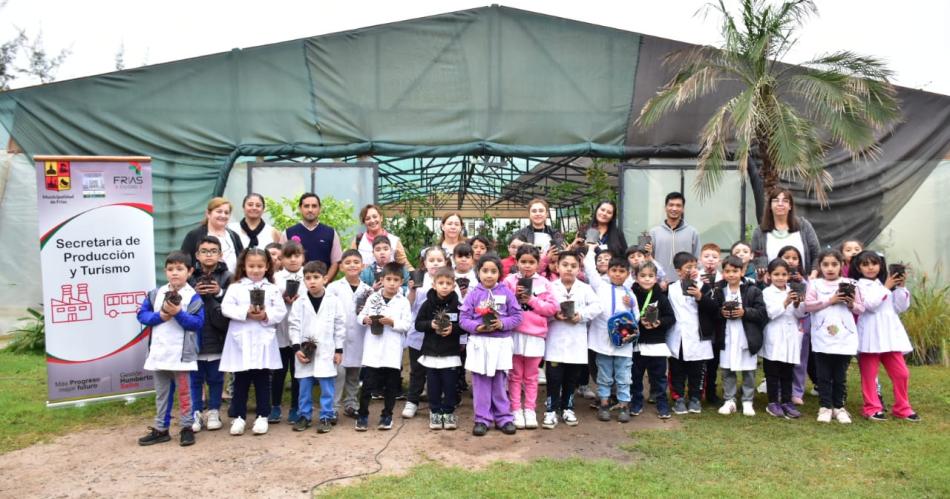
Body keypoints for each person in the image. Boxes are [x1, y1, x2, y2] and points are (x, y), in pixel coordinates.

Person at [136, 251, 205, 447]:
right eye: (170, 269)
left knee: (185, 394)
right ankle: (161, 429)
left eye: (180, 269)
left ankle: (186, 428)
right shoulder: (155, 294)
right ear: (165, 272)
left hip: (182, 356)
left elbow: (197, 323)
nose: (175, 273)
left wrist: (178, 313)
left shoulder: (193, 297)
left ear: (190, 271)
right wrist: (161, 316)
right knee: (162, 394)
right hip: (159, 354)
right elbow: (142, 315)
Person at [220, 248, 288, 436]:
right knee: (240, 379)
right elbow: (226, 308)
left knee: (262, 379)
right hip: (241, 337)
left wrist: (266, 315)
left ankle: (262, 415)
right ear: (244, 266)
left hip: (263, 337)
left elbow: (280, 312)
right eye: (251, 266)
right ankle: (239, 416)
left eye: (260, 266)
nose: (256, 270)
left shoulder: (272, 289)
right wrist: (245, 313)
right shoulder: (236, 287)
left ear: (267, 266)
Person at [852, 250, 919, 422]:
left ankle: (902, 407)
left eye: (874, 263)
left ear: (880, 265)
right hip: (870, 334)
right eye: (865, 264)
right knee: (869, 375)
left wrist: (901, 287)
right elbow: (870, 305)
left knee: (902, 373)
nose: (870, 267)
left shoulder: (886, 285)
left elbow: (900, 307)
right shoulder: (858, 286)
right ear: (859, 268)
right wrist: (887, 287)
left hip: (890, 335)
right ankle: (872, 407)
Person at [460, 254, 523, 436]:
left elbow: (517, 316)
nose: (489, 275)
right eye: (485, 271)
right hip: (479, 343)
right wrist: (477, 327)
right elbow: (463, 319)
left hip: (501, 343)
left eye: (493, 271)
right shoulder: (473, 295)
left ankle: (504, 418)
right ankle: (482, 419)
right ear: (478, 272)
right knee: (480, 383)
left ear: (499, 273)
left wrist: (502, 323)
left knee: (499, 382)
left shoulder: (506, 293)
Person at [700, 255, 768, 417]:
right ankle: (729, 399)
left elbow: (762, 313)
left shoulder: (752, 290)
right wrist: (721, 312)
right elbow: (712, 311)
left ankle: (747, 400)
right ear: (723, 272)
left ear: (742, 271)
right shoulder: (717, 290)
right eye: (727, 271)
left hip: (746, 335)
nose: (731, 274)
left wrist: (745, 312)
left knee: (748, 370)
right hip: (727, 335)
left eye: (735, 271)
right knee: (727, 369)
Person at [803, 249, 864, 424]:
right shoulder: (814, 284)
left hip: (845, 336)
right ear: (820, 266)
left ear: (842, 265)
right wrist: (831, 300)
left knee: (840, 374)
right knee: (823, 374)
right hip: (822, 336)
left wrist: (850, 303)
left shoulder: (851, 283)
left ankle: (839, 407)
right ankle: (825, 406)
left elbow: (861, 308)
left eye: (834, 264)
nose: (830, 268)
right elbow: (808, 306)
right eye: (825, 264)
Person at [503, 245, 559, 429]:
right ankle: (515, 409)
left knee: (532, 375)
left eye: (531, 262)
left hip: (535, 336)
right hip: (515, 333)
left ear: (537, 263)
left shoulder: (544, 283)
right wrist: (515, 298)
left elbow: (552, 309)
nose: (527, 266)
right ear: (517, 262)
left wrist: (532, 300)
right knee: (515, 374)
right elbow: (501, 305)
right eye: (523, 261)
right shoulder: (509, 281)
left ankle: (530, 409)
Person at [544, 250, 601, 428]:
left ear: (579, 268)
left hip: (576, 339)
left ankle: (567, 407)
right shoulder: (550, 287)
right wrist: (554, 315)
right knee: (554, 376)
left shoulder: (585, 288)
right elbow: (542, 308)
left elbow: (598, 306)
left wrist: (581, 315)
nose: (569, 269)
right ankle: (551, 409)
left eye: (573, 266)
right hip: (556, 338)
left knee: (571, 377)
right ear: (557, 267)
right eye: (565, 265)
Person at [584, 244, 639, 423]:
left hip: (624, 344)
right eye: (614, 270)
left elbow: (636, 318)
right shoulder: (600, 287)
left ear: (628, 274)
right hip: (602, 341)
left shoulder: (630, 294)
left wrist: (631, 305)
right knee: (604, 374)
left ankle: (624, 405)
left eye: (622, 271)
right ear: (608, 272)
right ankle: (604, 403)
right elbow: (590, 269)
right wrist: (591, 250)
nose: (617, 274)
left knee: (624, 376)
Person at [289, 261, 346, 433]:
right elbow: (294, 325)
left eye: (316, 277)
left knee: (327, 386)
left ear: (325, 279)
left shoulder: (334, 301)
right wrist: (296, 348)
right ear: (303, 281)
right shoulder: (299, 303)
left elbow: (340, 326)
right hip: (304, 352)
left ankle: (326, 416)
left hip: (327, 351)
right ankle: (304, 415)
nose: (312, 281)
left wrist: (338, 350)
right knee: (304, 386)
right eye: (308, 278)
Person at [355, 263, 411, 431]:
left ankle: (387, 415)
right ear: (382, 280)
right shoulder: (373, 298)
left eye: (396, 280)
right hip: (373, 347)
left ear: (401, 282)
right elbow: (361, 315)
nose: (392, 283)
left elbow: (407, 324)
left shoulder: (403, 302)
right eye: (388, 279)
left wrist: (392, 322)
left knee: (391, 385)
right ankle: (362, 415)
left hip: (392, 350)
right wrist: (366, 320)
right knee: (367, 385)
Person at [187, 236, 232, 433]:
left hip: (218, 335)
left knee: (216, 378)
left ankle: (214, 410)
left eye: (213, 251)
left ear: (220, 254)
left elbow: (233, 304)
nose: (209, 255)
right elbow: (180, 302)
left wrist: (219, 292)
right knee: (195, 379)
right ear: (197, 255)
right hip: (195, 336)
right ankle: (196, 411)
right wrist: (193, 293)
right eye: (204, 251)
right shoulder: (189, 276)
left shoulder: (228, 276)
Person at [403, 246, 450, 419]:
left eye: (439, 260)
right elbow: (408, 306)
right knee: (417, 370)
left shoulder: (448, 281)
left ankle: (435, 403)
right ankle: (412, 401)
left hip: (440, 336)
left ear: (445, 262)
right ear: (424, 263)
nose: (435, 263)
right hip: (419, 334)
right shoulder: (418, 282)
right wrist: (412, 291)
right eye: (431, 260)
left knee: (435, 371)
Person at [415, 267, 464, 430]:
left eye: (448, 283)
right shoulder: (427, 304)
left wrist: (453, 329)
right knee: (433, 386)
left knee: (450, 385)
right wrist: (431, 324)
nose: (444, 286)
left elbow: (464, 325)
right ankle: (435, 411)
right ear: (434, 284)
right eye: (441, 283)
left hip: (450, 353)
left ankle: (449, 412)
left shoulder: (458, 305)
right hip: (431, 353)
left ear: (453, 285)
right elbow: (418, 324)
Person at [666, 252, 714, 415]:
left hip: (698, 336)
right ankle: (678, 397)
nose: (692, 270)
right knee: (677, 369)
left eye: (695, 267)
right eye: (688, 267)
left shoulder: (705, 287)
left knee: (697, 369)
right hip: (677, 337)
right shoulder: (670, 288)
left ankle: (695, 398)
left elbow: (714, 309)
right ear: (679, 271)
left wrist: (700, 295)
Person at [327, 249, 372, 418]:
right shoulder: (333, 288)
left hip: (359, 336)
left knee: (354, 373)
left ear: (363, 266)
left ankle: (351, 404)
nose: (352, 265)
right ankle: (333, 407)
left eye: (356, 262)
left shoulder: (368, 290)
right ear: (341, 267)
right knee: (338, 373)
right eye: (347, 262)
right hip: (338, 338)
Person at [630, 261, 676, 419]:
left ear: (656, 278)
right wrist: (638, 322)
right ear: (635, 277)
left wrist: (659, 323)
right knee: (635, 376)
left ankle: (662, 405)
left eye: (651, 276)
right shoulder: (631, 296)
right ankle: (636, 402)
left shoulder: (661, 297)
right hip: (637, 343)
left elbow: (671, 318)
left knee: (659, 378)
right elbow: (626, 318)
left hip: (657, 344)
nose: (647, 279)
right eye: (643, 276)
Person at [762, 258, 806, 419]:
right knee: (773, 371)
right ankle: (773, 402)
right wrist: (785, 302)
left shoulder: (793, 290)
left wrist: (796, 304)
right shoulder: (766, 293)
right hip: (774, 334)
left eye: (783, 274)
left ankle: (787, 401)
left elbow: (801, 314)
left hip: (791, 335)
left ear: (788, 275)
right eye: (776, 274)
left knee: (788, 371)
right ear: (769, 275)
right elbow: (770, 313)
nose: (780, 277)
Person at [271, 241, 306, 424]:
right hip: (280, 331)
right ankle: (275, 405)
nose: (293, 260)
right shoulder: (276, 278)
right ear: (281, 259)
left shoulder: (307, 276)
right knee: (278, 371)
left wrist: (299, 300)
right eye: (289, 256)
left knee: (297, 371)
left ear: (303, 258)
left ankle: (295, 406)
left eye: (297, 255)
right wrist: (282, 298)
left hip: (300, 333)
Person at [751, 188, 820, 274]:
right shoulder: (760, 231)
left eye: (785, 201)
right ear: (770, 206)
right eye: (776, 200)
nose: (780, 204)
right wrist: (761, 264)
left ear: (790, 206)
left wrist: (813, 275)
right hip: (770, 284)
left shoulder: (804, 226)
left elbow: (816, 255)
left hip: (802, 283)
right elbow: (753, 257)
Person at [780, 245, 815, 405]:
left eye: (795, 258)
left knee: (800, 359)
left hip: (802, 323)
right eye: (787, 257)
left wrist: (802, 282)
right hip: (782, 323)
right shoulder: (776, 278)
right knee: (781, 359)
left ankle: (797, 391)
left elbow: (811, 298)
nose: (791, 261)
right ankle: (780, 389)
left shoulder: (805, 281)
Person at [285, 193, 343, 279]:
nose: (310, 210)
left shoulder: (330, 233)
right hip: (295, 285)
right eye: (306, 206)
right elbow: (282, 260)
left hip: (323, 287)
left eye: (314, 206)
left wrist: (325, 281)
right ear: (300, 208)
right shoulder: (288, 233)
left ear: (320, 209)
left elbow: (336, 262)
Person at [181, 197, 244, 273]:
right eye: (219, 211)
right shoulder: (194, 235)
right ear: (208, 213)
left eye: (226, 213)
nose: (223, 215)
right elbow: (184, 262)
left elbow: (242, 261)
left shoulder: (234, 236)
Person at [648, 192, 700, 281]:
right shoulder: (654, 232)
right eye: (671, 205)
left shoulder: (692, 232)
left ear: (683, 209)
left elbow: (697, 259)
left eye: (678, 205)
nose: (674, 208)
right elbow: (650, 259)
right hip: (660, 283)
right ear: (665, 208)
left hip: (684, 284)